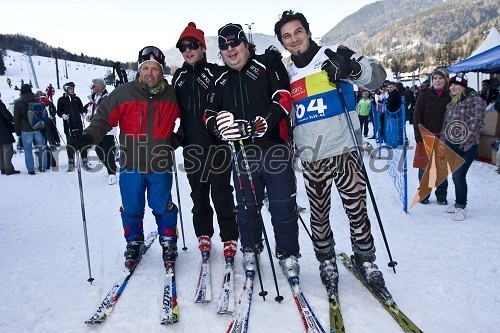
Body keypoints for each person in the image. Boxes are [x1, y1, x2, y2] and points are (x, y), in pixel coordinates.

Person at [274, 10, 391, 301]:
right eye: (286, 36)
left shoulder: (335, 54)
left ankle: (366, 258)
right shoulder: (286, 73)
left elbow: (378, 77)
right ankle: (326, 260)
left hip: (344, 150)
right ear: (282, 42)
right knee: (319, 214)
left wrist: (351, 69)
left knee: (357, 210)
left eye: (297, 31)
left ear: (308, 31)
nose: (294, 39)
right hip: (313, 157)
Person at [204, 23, 300, 278]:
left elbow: (283, 97)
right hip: (243, 154)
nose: (230, 49)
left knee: (282, 206)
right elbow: (208, 113)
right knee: (247, 206)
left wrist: (259, 124)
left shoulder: (268, 63)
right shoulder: (220, 78)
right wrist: (218, 128)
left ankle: (288, 254)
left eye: (235, 43)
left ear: (246, 44)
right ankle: (250, 247)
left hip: (275, 149)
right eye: (224, 46)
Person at [72, 46, 180, 270]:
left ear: (161, 71)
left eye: (155, 68)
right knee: (131, 207)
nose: (149, 72)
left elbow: (190, 120)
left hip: (160, 165)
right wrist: (87, 137)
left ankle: (169, 241)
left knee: (163, 207)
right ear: (139, 70)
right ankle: (134, 241)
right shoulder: (123, 93)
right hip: (131, 164)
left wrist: (176, 140)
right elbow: (103, 119)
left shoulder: (172, 95)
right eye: (145, 67)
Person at [172, 22, 238, 260]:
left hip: (218, 147)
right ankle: (204, 235)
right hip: (191, 148)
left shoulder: (217, 72)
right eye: (183, 47)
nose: (188, 51)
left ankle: (229, 236)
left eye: (192, 45)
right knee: (198, 196)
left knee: (222, 194)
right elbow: (175, 112)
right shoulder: (178, 78)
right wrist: (176, 136)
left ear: (202, 47)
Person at [441, 73, 486, 221]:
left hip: (467, 146)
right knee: (455, 177)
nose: (453, 87)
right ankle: (458, 203)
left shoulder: (475, 101)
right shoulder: (451, 103)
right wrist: (443, 141)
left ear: (464, 86)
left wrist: (465, 144)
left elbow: (477, 123)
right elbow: (446, 124)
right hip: (451, 144)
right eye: (452, 84)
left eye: (457, 84)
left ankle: (461, 205)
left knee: (459, 176)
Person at [413, 68, 451, 205]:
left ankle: (441, 195)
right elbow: (416, 116)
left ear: (446, 80)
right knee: (424, 166)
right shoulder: (424, 95)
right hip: (426, 137)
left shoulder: (450, 96)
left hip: (443, 138)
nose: (437, 81)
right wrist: (418, 135)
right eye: (435, 78)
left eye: (440, 78)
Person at [84, 78, 118, 185]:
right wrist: (89, 116)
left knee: (108, 150)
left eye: (94, 86)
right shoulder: (94, 98)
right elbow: (92, 110)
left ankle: (112, 173)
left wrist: (95, 117)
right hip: (97, 129)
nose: (92, 88)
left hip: (108, 128)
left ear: (100, 87)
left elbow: (108, 113)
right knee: (98, 150)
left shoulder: (108, 98)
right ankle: (109, 167)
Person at [13, 84, 48, 174]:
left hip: (25, 130)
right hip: (37, 128)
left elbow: (16, 118)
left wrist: (17, 131)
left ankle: (31, 169)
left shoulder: (18, 103)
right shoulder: (37, 100)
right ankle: (43, 166)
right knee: (42, 147)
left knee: (28, 149)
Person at [57, 81, 90, 172]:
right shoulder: (61, 100)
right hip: (68, 123)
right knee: (70, 141)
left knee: (82, 140)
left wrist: (83, 112)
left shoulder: (77, 99)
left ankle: (84, 159)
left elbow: (81, 108)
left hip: (78, 122)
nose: (72, 90)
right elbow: (58, 111)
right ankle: (71, 160)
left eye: (73, 88)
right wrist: (63, 115)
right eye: (70, 88)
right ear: (66, 89)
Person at [0, 92, 20, 175]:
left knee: (0, 150)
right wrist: (13, 121)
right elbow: (7, 115)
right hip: (2, 130)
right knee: (8, 149)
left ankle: (3, 168)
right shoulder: (0, 104)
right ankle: (9, 168)